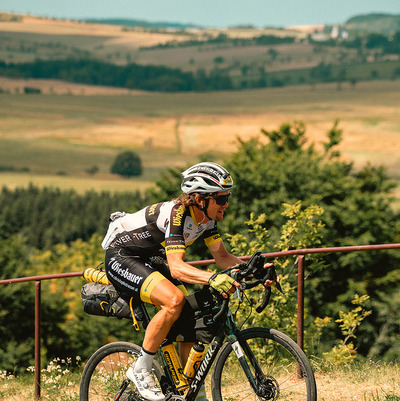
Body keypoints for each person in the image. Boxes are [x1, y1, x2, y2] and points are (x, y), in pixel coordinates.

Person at [101, 162, 245, 401]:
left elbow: (222, 257)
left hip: (151, 259)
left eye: (227, 197)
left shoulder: (208, 220)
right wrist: (213, 278)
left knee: (187, 312)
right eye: (220, 199)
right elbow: (177, 268)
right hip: (122, 256)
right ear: (200, 199)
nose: (226, 204)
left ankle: (188, 388)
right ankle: (141, 369)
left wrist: (252, 271)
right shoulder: (177, 213)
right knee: (174, 300)